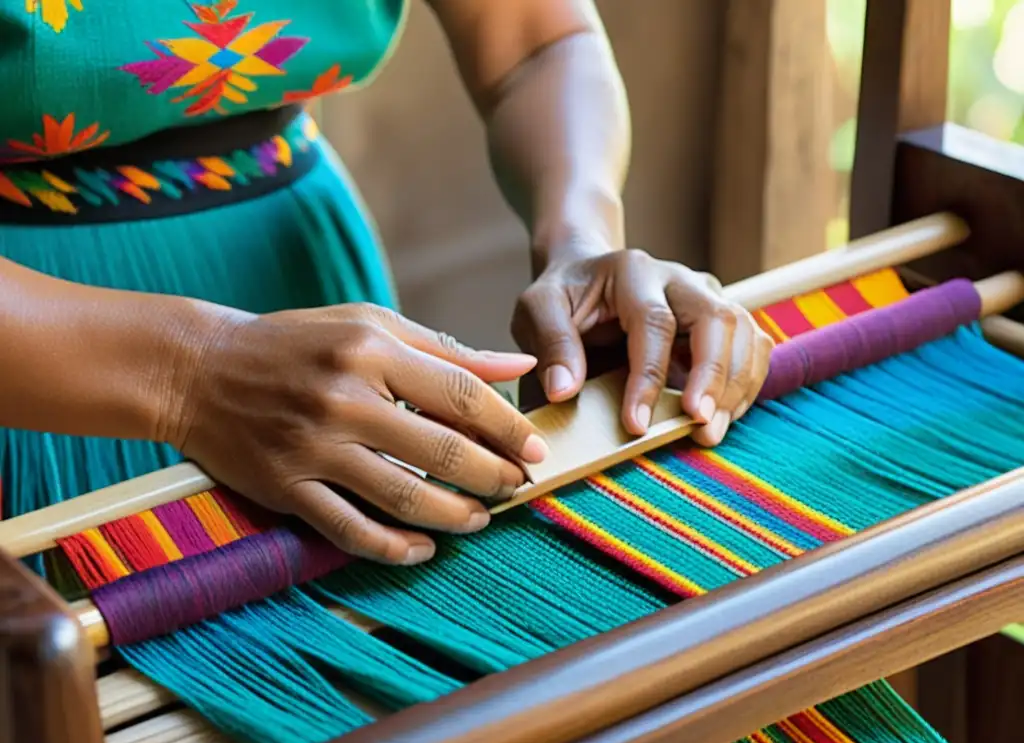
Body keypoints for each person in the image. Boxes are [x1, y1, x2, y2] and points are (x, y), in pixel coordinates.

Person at [0, 0, 772, 572]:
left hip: (301, 299)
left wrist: (581, 240)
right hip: (49, 353)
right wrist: (191, 375)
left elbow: (538, 40)